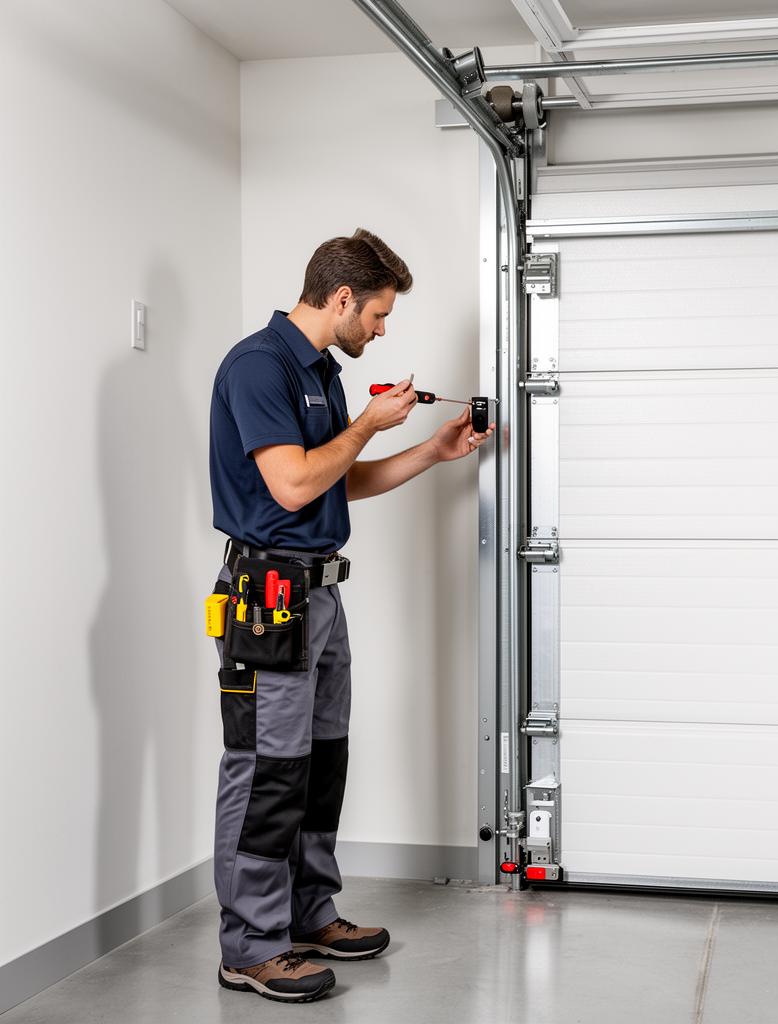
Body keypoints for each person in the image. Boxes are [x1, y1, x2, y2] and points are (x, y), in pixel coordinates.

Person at [207, 229, 494, 1004]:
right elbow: (294, 486)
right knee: (267, 770)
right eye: (377, 314)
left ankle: (306, 913)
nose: (381, 329)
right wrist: (367, 425)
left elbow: (336, 483)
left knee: (319, 762)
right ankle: (252, 946)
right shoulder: (258, 367)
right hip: (269, 597)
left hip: (322, 593)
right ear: (340, 299)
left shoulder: (323, 374)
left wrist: (431, 453)